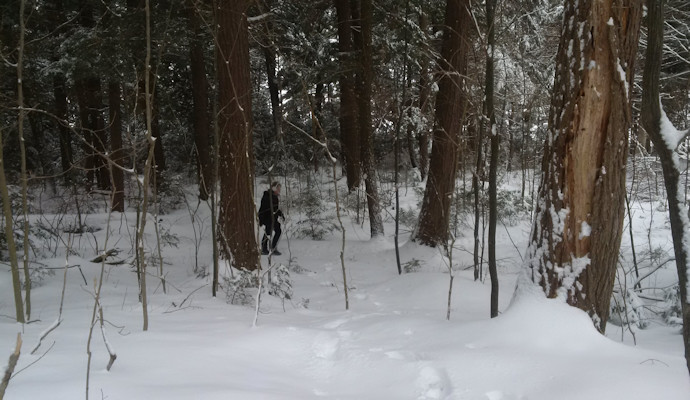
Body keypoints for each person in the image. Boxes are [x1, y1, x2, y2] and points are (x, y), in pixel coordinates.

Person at [258, 181, 284, 255]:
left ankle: (273, 247)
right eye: (278, 188)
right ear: (273, 188)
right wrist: (262, 219)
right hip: (267, 218)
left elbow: (276, 208)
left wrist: (281, 215)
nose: (279, 190)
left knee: (278, 231)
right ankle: (264, 249)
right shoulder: (267, 196)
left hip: (273, 217)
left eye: (279, 188)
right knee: (268, 232)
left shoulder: (275, 197)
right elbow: (265, 208)